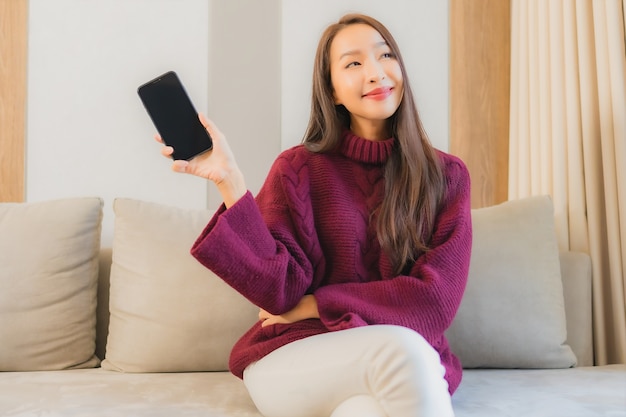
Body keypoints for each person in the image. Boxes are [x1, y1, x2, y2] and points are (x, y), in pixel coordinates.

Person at [158, 13, 471, 417]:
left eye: (385, 55)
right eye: (353, 63)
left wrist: (315, 304)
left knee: (365, 409)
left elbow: (433, 302)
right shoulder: (298, 169)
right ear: (334, 92)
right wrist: (230, 182)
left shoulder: (445, 177)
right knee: (404, 349)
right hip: (295, 355)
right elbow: (280, 294)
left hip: (400, 363)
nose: (375, 73)